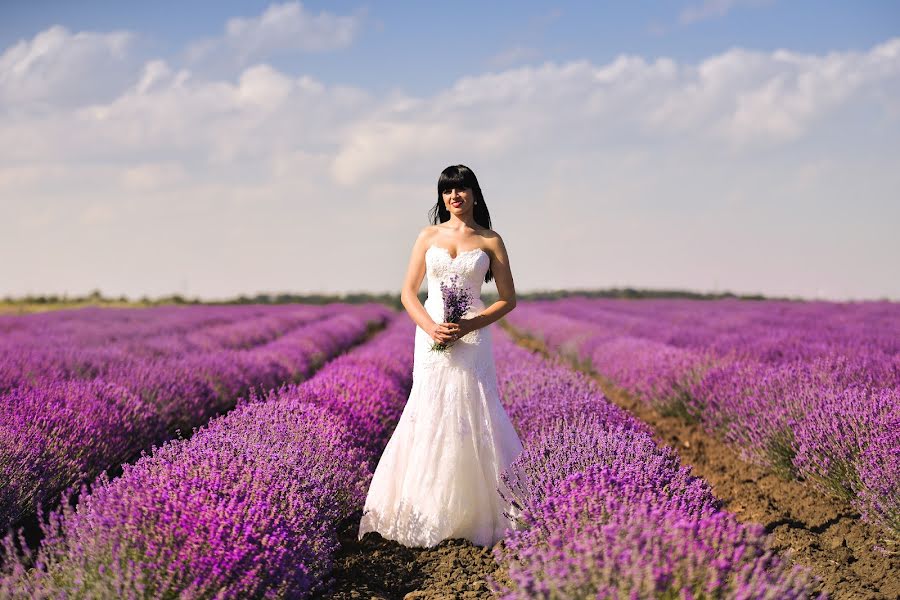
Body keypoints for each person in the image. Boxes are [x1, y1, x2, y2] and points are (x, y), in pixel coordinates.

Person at [357, 164, 525, 548]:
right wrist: (431, 327)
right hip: (430, 335)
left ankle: (481, 512)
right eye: (448, 191)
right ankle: (424, 511)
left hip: (472, 336)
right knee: (430, 408)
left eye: (462, 189)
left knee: (474, 409)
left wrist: (470, 325)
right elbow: (407, 294)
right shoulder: (427, 236)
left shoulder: (491, 240)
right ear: (442, 197)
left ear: (474, 194)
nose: (455, 196)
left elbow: (508, 299)